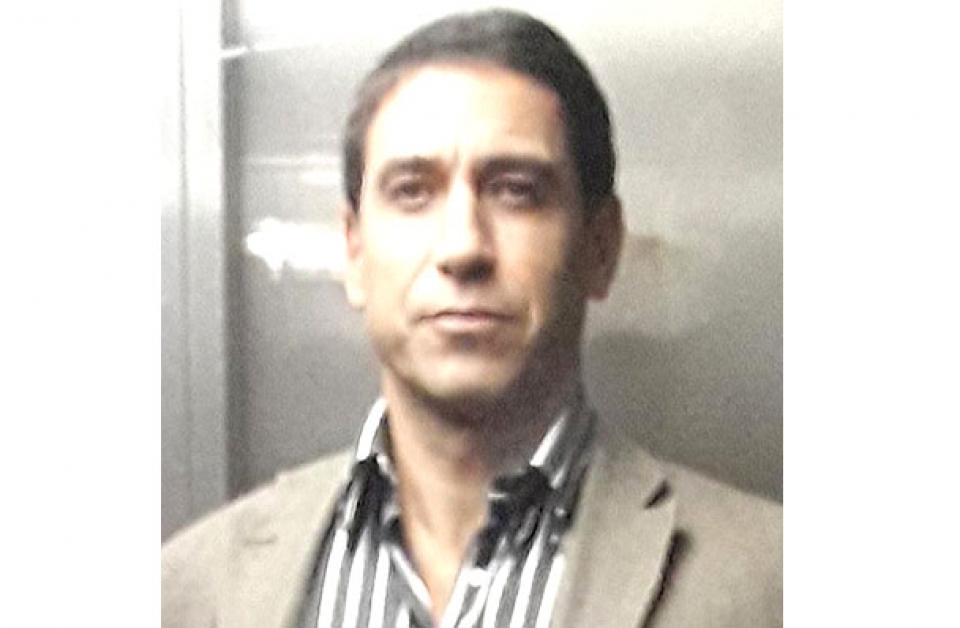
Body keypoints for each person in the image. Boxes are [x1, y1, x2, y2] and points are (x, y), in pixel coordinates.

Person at [162, 9, 781, 628]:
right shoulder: (187, 591)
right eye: (412, 191)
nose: (462, 248)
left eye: (516, 190)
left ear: (600, 247)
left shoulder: (777, 584)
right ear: (354, 251)